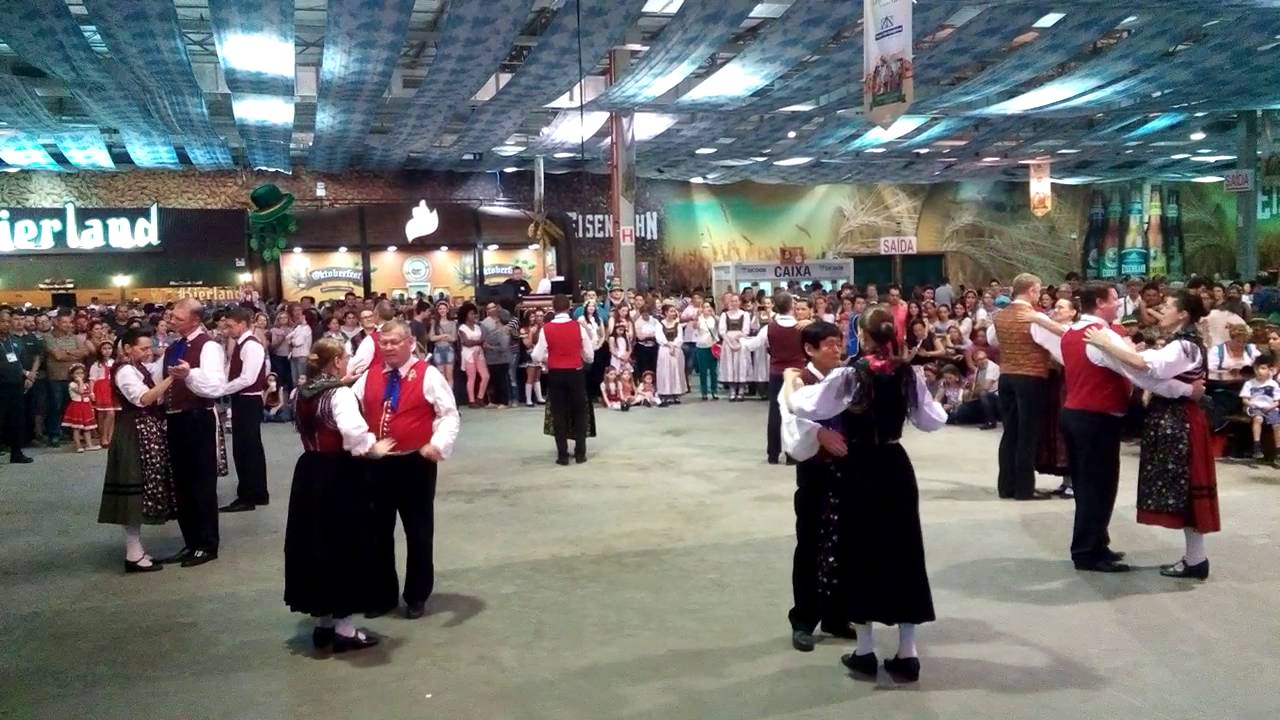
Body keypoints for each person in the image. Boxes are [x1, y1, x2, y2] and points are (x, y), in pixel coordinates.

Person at [786, 307, 946, 683]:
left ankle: (865, 649)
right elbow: (933, 419)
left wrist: (793, 383)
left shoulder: (850, 375)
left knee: (859, 551)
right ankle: (908, 652)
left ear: (863, 336)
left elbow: (805, 405)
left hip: (859, 467)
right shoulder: (909, 373)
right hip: (895, 464)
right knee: (904, 551)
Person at [1042, 283, 1200, 573]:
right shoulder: (1103, 336)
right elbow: (1138, 372)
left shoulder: (1072, 332)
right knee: (1097, 487)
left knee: (1090, 485)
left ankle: (1096, 543)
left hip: (1077, 414)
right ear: (1101, 303)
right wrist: (1185, 390)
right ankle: (1088, 552)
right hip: (1095, 418)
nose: (1120, 304)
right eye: (1115, 299)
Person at [1083, 290, 1219, 579]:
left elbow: (1147, 368)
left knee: (1186, 488)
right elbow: (1146, 371)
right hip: (1174, 418)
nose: (1162, 308)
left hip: (1179, 421)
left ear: (1183, 314)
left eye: (1168, 304)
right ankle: (1195, 558)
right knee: (1184, 489)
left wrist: (1107, 344)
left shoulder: (1184, 346)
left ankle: (1196, 560)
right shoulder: (1180, 344)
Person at [285, 337, 396, 651]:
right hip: (339, 475)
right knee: (345, 545)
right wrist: (375, 449)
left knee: (316, 545)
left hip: (309, 472)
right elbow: (353, 434)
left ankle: (323, 624)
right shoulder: (339, 395)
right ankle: (345, 629)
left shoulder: (301, 392)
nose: (348, 362)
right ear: (335, 362)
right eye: (345, 358)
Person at [352, 321, 460, 619]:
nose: (387, 347)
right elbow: (351, 409)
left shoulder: (428, 374)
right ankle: (382, 595)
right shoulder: (370, 376)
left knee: (419, 531)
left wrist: (438, 444)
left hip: (415, 463)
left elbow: (448, 414)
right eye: (383, 342)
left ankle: (417, 594)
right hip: (377, 463)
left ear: (410, 342)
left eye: (394, 342)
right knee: (377, 531)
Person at [779, 320, 856, 652]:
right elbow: (790, 422)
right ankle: (804, 619)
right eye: (828, 344)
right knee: (810, 545)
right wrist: (819, 433)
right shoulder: (799, 382)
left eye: (839, 343)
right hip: (815, 474)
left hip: (847, 474)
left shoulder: (845, 378)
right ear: (810, 349)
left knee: (844, 545)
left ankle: (837, 614)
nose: (836, 350)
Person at [97, 327, 178, 573]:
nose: (147, 352)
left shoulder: (136, 367)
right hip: (134, 432)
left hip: (143, 430)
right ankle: (133, 553)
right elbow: (143, 399)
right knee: (133, 491)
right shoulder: (124, 371)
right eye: (142, 348)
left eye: (148, 348)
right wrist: (171, 378)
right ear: (127, 348)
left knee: (139, 491)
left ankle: (135, 550)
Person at [159, 298, 226, 568]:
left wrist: (190, 375)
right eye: (172, 316)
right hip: (176, 419)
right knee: (183, 484)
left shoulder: (208, 346)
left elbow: (215, 387)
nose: (171, 320)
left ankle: (207, 543)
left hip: (198, 418)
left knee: (202, 482)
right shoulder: (174, 347)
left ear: (195, 320)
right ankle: (191, 541)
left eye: (178, 317)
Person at [989, 273, 1057, 501]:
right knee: (1028, 435)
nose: (1039, 295)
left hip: (1006, 376)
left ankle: (1006, 486)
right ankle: (1024, 489)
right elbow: (1053, 346)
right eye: (1038, 291)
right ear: (1030, 291)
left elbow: (993, 341)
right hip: (1031, 378)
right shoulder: (1034, 318)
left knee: (1010, 432)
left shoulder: (999, 317)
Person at [532, 294, 596, 464]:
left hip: (556, 374)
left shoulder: (546, 328)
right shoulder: (578, 327)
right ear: (569, 307)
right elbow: (589, 356)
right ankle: (580, 453)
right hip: (575, 372)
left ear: (553, 308)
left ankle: (562, 455)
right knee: (579, 412)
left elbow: (536, 355)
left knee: (558, 413)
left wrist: (548, 357)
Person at [741, 292, 805, 464]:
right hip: (796, 374)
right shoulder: (801, 327)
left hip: (777, 373)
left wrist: (742, 340)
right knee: (794, 413)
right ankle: (793, 455)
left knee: (775, 412)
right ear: (792, 306)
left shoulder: (769, 328)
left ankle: (773, 454)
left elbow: (752, 346)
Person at [219, 308, 270, 513]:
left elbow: (248, 378)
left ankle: (249, 495)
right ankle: (256, 492)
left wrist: (222, 389)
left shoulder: (251, 346)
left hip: (249, 400)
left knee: (246, 448)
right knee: (248, 447)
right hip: (243, 400)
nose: (227, 329)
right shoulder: (242, 345)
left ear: (242, 324)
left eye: (230, 325)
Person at [43, 310, 83, 447]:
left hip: (72, 377)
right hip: (56, 377)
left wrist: (66, 352)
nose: (67, 325)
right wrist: (73, 354)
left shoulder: (73, 336)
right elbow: (57, 356)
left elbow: (83, 352)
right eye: (64, 322)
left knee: (70, 405)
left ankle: (68, 431)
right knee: (56, 406)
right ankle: (54, 434)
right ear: (56, 322)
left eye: (69, 322)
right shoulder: (48, 337)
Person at [0, 310, 35, 463]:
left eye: (8, 321)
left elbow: (18, 362)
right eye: (2, 321)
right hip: (1, 386)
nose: (6, 324)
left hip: (16, 385)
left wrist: (25, 374)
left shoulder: (14, 341)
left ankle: (16, 452)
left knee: (16, 420)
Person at [1241, 356, 1280, 460]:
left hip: (1270, 408)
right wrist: (1250, 404)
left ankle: (1278, 450)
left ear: (1270, 370)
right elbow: (1244, 399)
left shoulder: (1274, 384)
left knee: (1277, 424)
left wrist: (1270, 407)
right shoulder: (1249, 383)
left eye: (1263, 368)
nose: (1259, 371)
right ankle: (1257, 446)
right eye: (1256, 368)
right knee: (1258, 419)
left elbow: (1277, 401)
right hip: (1255, 407)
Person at [718, 294, 753, 402]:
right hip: (728, 343)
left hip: (741, 342)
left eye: (736, 301)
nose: (734, 303)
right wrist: (730, 341)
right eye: (732, 301)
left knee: (741, 365)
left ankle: (741, 391)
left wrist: (738, 338)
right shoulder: (724, 315)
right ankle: (732, 391)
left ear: (740, 302)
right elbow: (722, 331)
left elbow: (746, 330)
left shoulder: (745, 314)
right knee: (730, 366)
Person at [653, 304, 689, 405]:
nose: (673, 313)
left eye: (674, 311)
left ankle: (676, 393)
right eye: (671, 311)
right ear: (665, 313)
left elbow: (680, 337)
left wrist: (674, 345)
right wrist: (668, 344)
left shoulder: (678, 325)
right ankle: (666, 393)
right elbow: (659, 337)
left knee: (676, 370)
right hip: (665, 350)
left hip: (676, 350)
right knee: (665, 371)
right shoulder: (660, 324)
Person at [88, 341, 119, 448]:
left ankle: (109, 437)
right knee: (101, 414)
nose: (107, 351)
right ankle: (103, 436)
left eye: (109, 348)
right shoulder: (96, 364)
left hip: (111, 388)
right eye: (104, 348)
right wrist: (91, 392)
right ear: (100, 351)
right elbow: (92, 379)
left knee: (111, 413)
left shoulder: (114, 362)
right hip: (101, 389)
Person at [457, 303, 488, 408]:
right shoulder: (462, 328)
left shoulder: (477, 327)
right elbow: (466, 342)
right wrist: (479, 341)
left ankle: (480, 397)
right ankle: (471, 400)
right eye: (471, 314)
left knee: (485, 376)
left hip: (479, 352)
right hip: (468, 354)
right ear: (465, 315)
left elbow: (478, 340)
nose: (473, 316)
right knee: (472, 377)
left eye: (474, 314)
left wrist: (476, 342)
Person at [61, 363, 98, 452]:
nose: (80, 375)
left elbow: (87, 395)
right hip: (76, 407)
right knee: (76, 428)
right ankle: (78, 446)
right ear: (72, 375)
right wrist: (80, 382)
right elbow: (81, 391)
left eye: (81, 373)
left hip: (85, 406)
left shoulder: (86, 384)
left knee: (87, 428)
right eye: (77, 373)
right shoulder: (72, 384)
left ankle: (89, 445)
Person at [694, 301, 720, 401]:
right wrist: (697, 315)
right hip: (701, 346)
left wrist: (713, 314)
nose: (707, 309)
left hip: (713, 347)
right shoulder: (699, 319)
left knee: (714, 370)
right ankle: (704, 392)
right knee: (703, 371)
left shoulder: (714, 318)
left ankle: (714, 391)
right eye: (704, 307)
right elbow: (695, 326)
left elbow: (721, 322)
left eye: (708, 307)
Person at [519, 310, 546, 407]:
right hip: (528, 355)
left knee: (537, 377)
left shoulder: (539, 328)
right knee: (530, 377)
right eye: (531, 317)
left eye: (534, 317)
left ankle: (539, 398)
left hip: (537, 353)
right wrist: (530, 332)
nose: (533, 319)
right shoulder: (523, 330)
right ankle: (528, 399)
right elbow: (527, 344)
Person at [428, 301, 457, 390]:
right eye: (440, 309)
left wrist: (438, 337)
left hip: (449, 350)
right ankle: (443, 397)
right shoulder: (435, 323)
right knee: (441, 375)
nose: (442, 310)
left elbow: (454, 338)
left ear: (447, 310)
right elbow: (431, 338)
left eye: (444, 308)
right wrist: (444, 336)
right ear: (438, 310)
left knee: (449, 375)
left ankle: (450, 396)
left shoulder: (452, 323)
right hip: (438, 350)